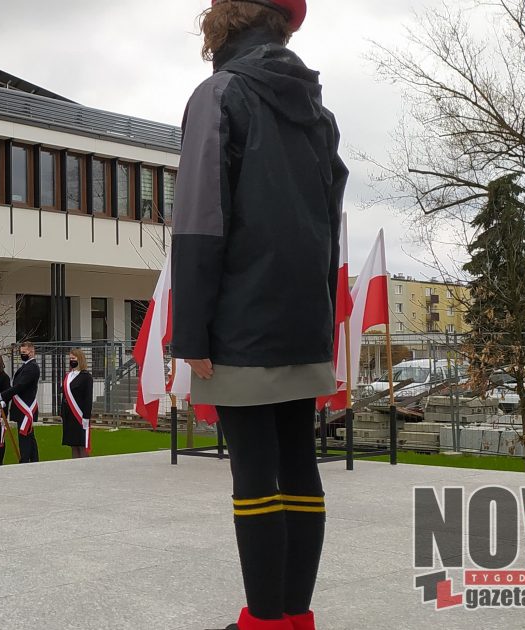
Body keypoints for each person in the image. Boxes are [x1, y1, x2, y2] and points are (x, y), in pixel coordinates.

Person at [170, 2, 338, 629]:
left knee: (253, 475)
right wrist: (321, 318)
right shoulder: (318, 113)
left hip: (239, 318)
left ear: (227, 21)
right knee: (298, 464)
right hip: (301, 317)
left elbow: (199, 216)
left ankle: (264, 623)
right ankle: (294, 618)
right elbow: (329, 228)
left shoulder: (219, 95)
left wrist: (190, 327)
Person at [0, 342, 40, 463]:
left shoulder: (32, 367)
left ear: (32, 352)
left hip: (26, 407)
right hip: (21, 406)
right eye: (21, 352)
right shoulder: (25, 366)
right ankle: (34, 460)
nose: (22, 354)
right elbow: (16, 386)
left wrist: (2, 396)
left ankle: (25, 460)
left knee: (24, 435)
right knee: (29, 436)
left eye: (24, 352)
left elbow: (20, 386)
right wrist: (6, 400)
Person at [60, 348, 94, 459]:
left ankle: (85, 467)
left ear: (80, 359)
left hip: (79, 415)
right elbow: (64, 396)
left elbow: (88, 398)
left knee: (81, 444)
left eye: (73, 359)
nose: (71, 361)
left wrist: (86, 417)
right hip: (69, 415)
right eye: (70, 359)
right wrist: (62, 413)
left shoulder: (86, 377)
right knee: (73, 444)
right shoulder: (68, 376)